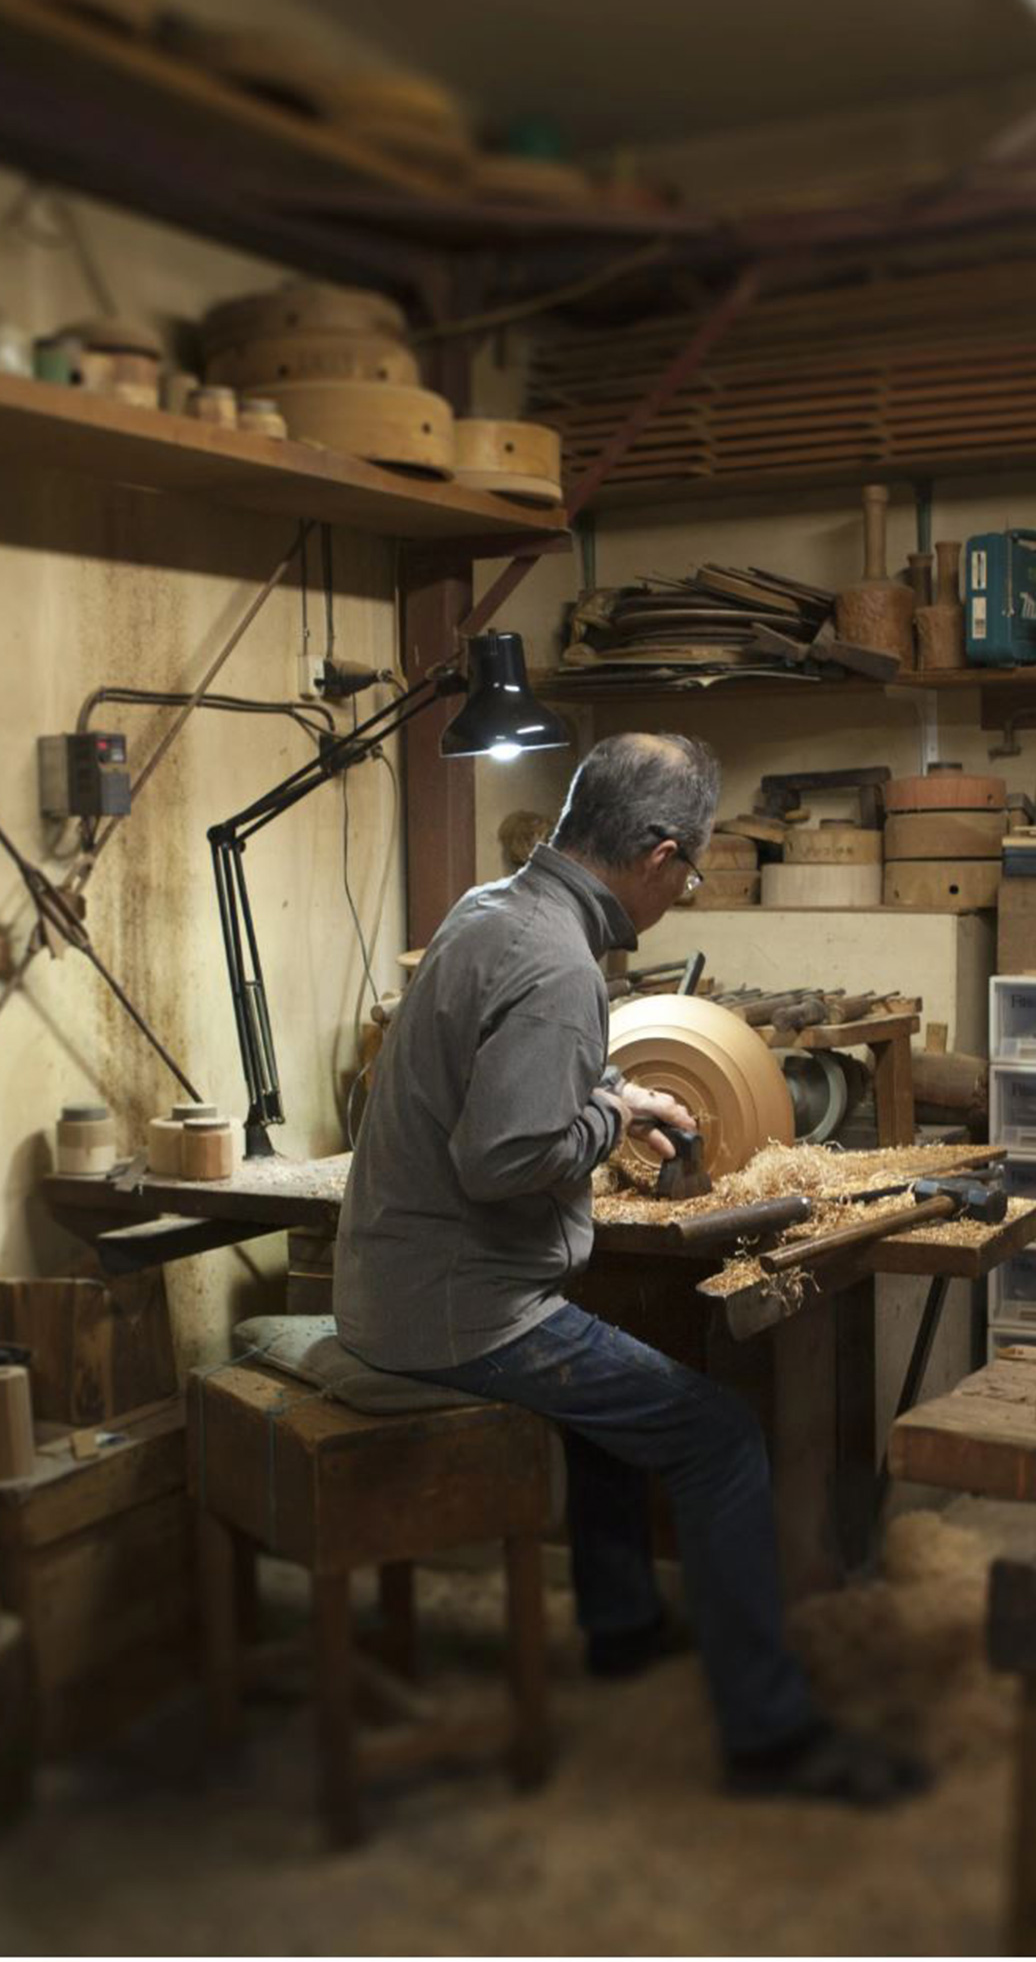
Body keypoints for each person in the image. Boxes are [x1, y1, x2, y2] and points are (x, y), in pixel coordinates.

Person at [334, 732, 927, 1806]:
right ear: (657, 853)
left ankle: (619, 1629)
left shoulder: (491, 909)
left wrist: (608, 1086)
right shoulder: (559, 959)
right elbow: (505, 1155)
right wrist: (609, 1113)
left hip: (398, 1283)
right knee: (717, 1436)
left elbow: (517, 1063)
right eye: (691, 871)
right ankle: (770, 1731)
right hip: (459, 1312)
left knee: (616, 1403)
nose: (684, 889)